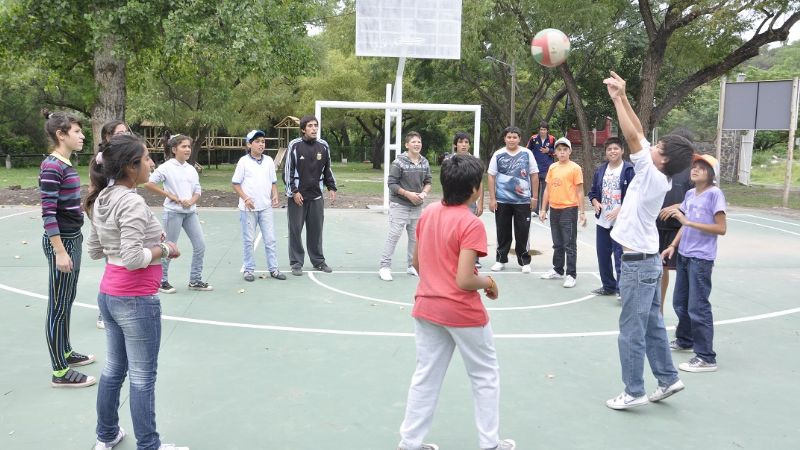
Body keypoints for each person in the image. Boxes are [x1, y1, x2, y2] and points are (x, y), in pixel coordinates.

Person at [397, 154, 515, 450]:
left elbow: (417, 262)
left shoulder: (430, 213)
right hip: (462, 312)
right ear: (476, 188)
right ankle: (490, 443)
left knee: (425, 377)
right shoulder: (471, 223)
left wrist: (437, 281)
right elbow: (465, 280)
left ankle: (409, 442)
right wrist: (488, 282)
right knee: (485, 375)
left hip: (426, 307)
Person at [85, 134, 189, 450]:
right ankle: (149, 444)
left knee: (114, 369)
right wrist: (164, 248)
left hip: (110, 295)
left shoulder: (102, 197)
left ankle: (107, 436)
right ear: (131, 167)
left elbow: (94, 249)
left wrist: (127, 245)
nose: (151, 163)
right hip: (135, 300)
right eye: (146, 159)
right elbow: (132, 258)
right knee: (142, 377)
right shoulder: (130, 200)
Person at [603, 70, 693, 410]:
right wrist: (622, 97)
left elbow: (633, 134)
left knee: (630, 330)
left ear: (664, 158)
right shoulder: (655, 174)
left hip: (638, 266)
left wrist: (618, 99)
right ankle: (669, 379)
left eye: (658, 147)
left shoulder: (652, 176)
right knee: (653, 324)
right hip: (648, 262)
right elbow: (639, 134)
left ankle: (633, 389)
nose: (650, 147)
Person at [39, 109, 96, 388]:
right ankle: (59, 372)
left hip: (74, 238)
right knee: (57, 305)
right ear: (61, 135)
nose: (82, 135)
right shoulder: (53, 166)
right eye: (76, 131)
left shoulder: (66, 164)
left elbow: (68, 204)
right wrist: (59, 251)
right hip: (62, 243)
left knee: (67, 300)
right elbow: (48, 213)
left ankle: (66, 352)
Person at [660, 154, 726, 373]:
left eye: (701, 167)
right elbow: (684, 226)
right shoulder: (690, 194)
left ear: (712, 174)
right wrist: (674, 246)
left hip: (701, 258)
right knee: (680, 302)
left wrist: (688, 221)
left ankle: (706, 356)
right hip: (686, 254)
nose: (695, 169)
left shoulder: (714, 194)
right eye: (694, 166)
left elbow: (721, 228)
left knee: (698, 306)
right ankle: (685, 339)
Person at [145, 133, 214, 293]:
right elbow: (149, 183)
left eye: (189, 146)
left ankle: (195, 280)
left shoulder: (191, 169)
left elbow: (197, 190)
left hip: (190, 213)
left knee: (200, 246)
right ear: (174, 149)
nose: (187, 149)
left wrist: (191, 200)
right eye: (184, 146)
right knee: (169, 247)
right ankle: (162, 281)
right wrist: (169, 195)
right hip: (173, 213)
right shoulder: (167, 167)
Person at [283, 115, 337, 276]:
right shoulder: (294, 145)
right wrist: (294, 192)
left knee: (316, 230)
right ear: (303, 129)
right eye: (310, 126)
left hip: (316, 196)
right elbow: (287, 172)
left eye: (316, 125)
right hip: (298, 197)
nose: (314, 128)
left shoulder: (324, 146)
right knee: (295, 231)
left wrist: (331, 186)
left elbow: (328, 169)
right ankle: (296, 263)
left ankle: (318, 261)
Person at [232, 130, 287, 282]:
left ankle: (274, 269)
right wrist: (245, 198)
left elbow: (273, 181)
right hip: (248, 209)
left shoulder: (269, 160)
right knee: (248, 240)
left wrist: (275, 194)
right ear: (249, 144)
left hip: (266, 207)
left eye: (263, 141)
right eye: (257, 141)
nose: (261, 144)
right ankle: (249, 270)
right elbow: (235, 183)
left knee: (270, 239)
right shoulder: (243, 161)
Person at [378, 131, 432, 281]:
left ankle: (412, 266)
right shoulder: (398, 162)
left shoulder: (424, 162)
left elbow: (428, 182)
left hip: (417, 206)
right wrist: (408, 194)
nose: (417, 144)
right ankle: (384, 267)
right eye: (413, 142)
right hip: (399, 205)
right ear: (407, 145)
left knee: (415, 238)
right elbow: (391, 184)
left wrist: (423, 194)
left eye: (419, 142)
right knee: (394, 236)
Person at [95, 121, 132, 329]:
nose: (123, 135)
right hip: (111, 214)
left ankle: (121, 308)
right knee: (112, 263)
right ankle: (104, 313)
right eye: (119, 133)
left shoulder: (127, 156)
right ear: (107, 136)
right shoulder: (104, 158)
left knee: (125, 263)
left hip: (126, 211)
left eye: (126, 132)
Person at [587, 137, 635, 296]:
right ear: (606, 152)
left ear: (622, 150)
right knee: (603, 255)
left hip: (621, 221)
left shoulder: (629, 170)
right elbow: (592, 192)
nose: (612, 151)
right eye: (609, 149)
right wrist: (595, 202)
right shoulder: (601, 170)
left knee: (620, 256)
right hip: (603, 220)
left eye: (615, 148)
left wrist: (620, 209)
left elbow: (634, 196)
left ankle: (622, 290)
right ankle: (608, 286)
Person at [487, 126, 539, 273]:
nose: (511, 139)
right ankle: (500, 259)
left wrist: (534, 197)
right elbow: (491, 176)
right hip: (502, 201)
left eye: (514, 137)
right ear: (504, 138)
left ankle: (524, 261)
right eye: (509, 137)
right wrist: (492, 198)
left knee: (523, 232)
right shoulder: (498, 154)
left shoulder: (527, 154)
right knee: (503, 232)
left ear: (519, 139)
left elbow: (534, 175)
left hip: (523, 201)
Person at [538, 137, 586, 287]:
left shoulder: (575, 168)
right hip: (554, 208)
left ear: (570, 151)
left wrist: (582, 212)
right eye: (559, 150)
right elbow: (547, 189)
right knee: (557, 243)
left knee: (569, 243)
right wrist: (543, 208)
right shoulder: (552, 168)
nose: (562, 152)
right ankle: (558, 270)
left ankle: (571, 274)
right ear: (555, 152)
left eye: (565, 149)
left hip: (569, 209)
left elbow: (580, 191)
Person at [656, 165, 692, 313]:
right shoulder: (658, 168)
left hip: (678, 228)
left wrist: (678, 206)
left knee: (683, 272)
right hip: (657, 227)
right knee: (660, 269)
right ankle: (660, 312)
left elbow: (697, 198)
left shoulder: (690, 171)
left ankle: (684, 318)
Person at [446, 131, 484, 267]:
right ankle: (453, 256)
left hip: (470, 202)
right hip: (453, 201)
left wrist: (480, 203)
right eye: (461, 142)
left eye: (466, 142)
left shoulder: (474, 161)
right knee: (453, 230)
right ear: (455, 145)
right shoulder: (448, 161)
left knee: (470, 230)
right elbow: (446, 181)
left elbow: (480, 183)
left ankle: (474, 259)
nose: (463, 144)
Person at [526, 121, 556, 215]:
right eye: (541, 129)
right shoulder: (533, 138)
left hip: (547, 168)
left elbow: (557, 151)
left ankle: (544, 210)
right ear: (539, 130)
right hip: (535, 168)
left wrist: (549, 150)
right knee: (534, 189)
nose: (542, 131)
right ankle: (534, 210)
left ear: (547, 130)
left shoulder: (552, 139)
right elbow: (527, 150)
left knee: (545, 190)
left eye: (544, 129)